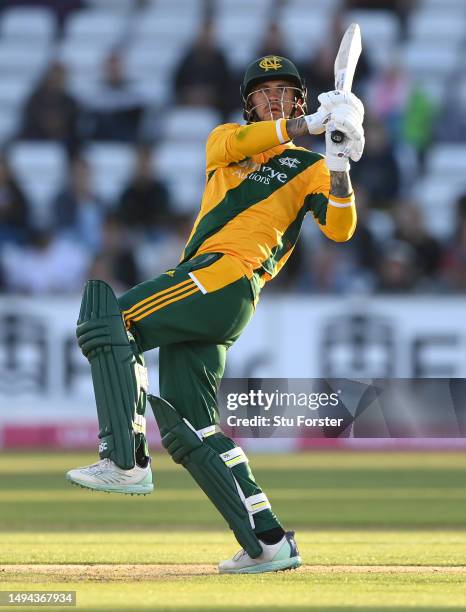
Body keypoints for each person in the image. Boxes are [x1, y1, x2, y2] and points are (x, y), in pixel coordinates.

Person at [66, 55, 364, 574]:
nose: (273, 98)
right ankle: (268, 542)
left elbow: (340, 229)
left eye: (284, 91)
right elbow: (254, 141)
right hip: (213, 286)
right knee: (191, 426)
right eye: (263, 92)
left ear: (297, 96)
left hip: (227, 277)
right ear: (249, 103)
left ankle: (124, 458)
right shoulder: (225, 140)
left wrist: (339, 169)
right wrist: (313, 124)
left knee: (108, 320)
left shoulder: (311, 167)